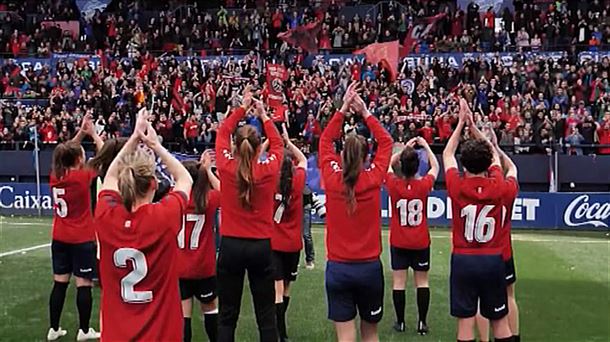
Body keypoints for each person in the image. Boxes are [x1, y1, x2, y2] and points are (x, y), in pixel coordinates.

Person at [95, 110, 193, 341]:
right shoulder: (164, 216)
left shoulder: (106, 215)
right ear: (152, 184)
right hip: (161, 334)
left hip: (116, 334)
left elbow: (110, 177)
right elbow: (185, 178)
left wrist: (133, 138)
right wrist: (155, 144)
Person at [320, 82, 393, 342]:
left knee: (345, 337)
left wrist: (342, 110)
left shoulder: (331, 177)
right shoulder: (373, 179)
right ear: (365, 157)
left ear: (342, 155)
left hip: (338, 268)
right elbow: (386, 142)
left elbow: (325, 141)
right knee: (370, 334)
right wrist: (365, 112)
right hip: (368, 269)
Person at [442, 98, 516, 342]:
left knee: (465, 325)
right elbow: (494, 155)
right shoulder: (499, 186)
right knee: (500, 324)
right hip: (493, 259)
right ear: (487, 164)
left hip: (463, 259)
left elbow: (448, 152)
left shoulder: (456, 185)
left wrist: (461, 124)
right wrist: (474, 128)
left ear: (465, 165)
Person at [215, 86, 283, 342]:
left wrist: (242, 107)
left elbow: (222, 132)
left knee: (227, 316)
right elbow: (278, 145)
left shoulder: (226, 166)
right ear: (258, 148)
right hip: (260, 247)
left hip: (231, 245)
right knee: (266, 316)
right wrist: (265, 116)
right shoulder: (266, 171)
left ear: (236, 146)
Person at [47, 115, 102, 341]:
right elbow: (104, 155)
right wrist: (93, 135)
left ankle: (53, 328)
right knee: (83, 285)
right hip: (81, 238)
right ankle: (84, 330)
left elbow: (65, 153)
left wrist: (81, 133)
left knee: (59, 283)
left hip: (59, 237)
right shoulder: (82, 177)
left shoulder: (55, 176)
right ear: (79, 159)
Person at [385, 136, 439, 335]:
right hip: (420, 241)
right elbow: (436, 167)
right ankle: (422, 323)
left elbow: (386, 165)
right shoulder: (424, 185)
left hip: (399, 241)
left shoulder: (393, 185)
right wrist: (425, 145)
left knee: (399, 282)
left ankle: (400, 322)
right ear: (417, 166)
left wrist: (403, 149)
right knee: (422, 282)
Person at [177, 151, 221, 342]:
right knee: (211, 309)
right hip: (203, 266)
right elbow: (225, 191)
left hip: (179, 267)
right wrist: (208, 170)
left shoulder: (176, 200)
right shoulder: (209, 199)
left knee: (183, 315)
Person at [272, 127, 307, 342]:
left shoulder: (270, 182)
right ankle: (281, 331)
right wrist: (288, 142)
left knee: (276, 291)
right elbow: (303, 160)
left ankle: (278, 332)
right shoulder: (298, 181)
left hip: (274, 244)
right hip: (293, 244)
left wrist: (272, 143)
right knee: (285, 290)